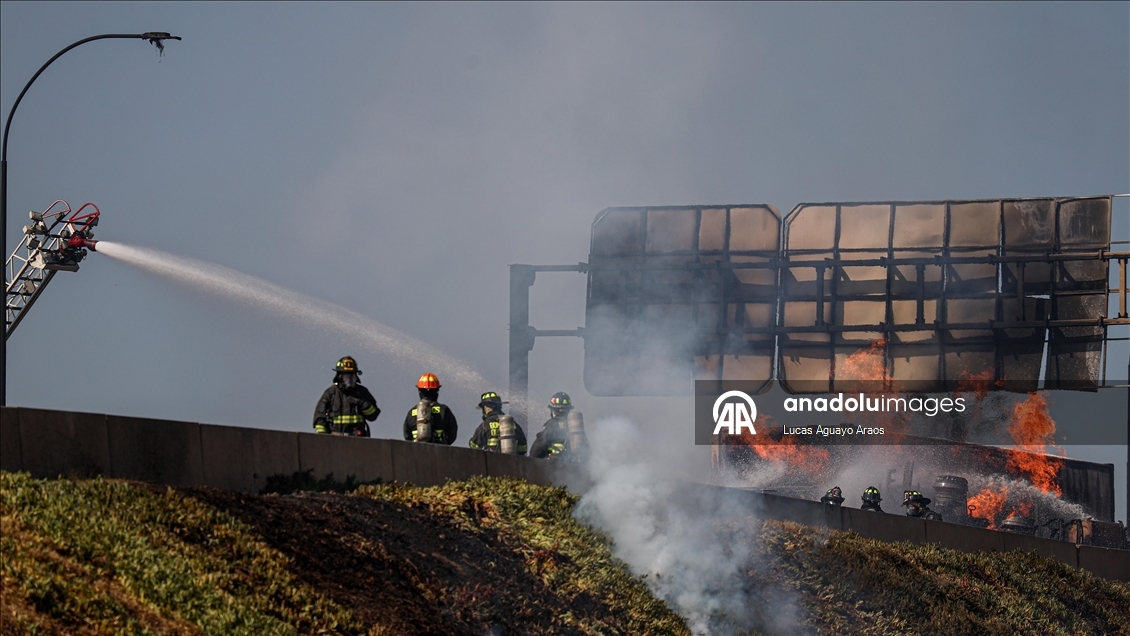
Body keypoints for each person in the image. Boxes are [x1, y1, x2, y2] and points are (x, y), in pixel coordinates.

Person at [313, 356, 380, 436]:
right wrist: (323, 438)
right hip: (335, 441)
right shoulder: (331, 393)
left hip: (358, 441)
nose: (349, 380)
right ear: (339, 377)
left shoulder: (362, 392)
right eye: (346, 377)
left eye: (351, 376)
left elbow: (373, 416)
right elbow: (319, 418)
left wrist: (363, 404)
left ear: (356, 377)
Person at [530, 392, 589, 461]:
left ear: (554, 411)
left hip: (555, 468)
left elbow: (537, 450)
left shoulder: (552, 425)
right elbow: (587, 451)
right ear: (568, 410)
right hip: (574, 468)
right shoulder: (574, 426)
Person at [402, 372, 458, 444]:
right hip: (440, 452)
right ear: (436, 391)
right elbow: (452, 434)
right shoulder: (444, 410)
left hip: (416, 452)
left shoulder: (411, 412)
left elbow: (407, 435)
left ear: (420, 391)